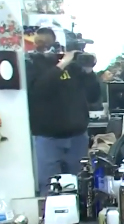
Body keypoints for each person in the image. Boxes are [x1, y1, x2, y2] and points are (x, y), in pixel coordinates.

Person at [26, 27, 101, 195]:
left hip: (77, 137)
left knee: (81, 186)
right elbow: (38, 91)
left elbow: (94, 96)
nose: (43, 45)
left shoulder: (75, 66)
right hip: (48, 138)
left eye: (47, 42)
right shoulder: (32, 63)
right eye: (40, 42)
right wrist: (62, 65)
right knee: (50, 188)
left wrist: (89, 71)